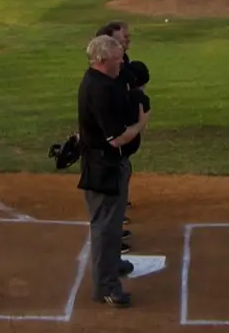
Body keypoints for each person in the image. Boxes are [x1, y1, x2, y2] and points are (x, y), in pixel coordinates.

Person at [77, 34, 143, 308]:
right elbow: (115, 138)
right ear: (103, 61)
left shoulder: (103, 80)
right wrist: (140, 124)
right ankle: (106, 287)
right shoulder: (99, 90)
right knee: (105, 227)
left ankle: (113, 264)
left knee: (113, 224)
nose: (121, 64)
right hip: (104, 168)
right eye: (117, 60)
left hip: (111, 164)